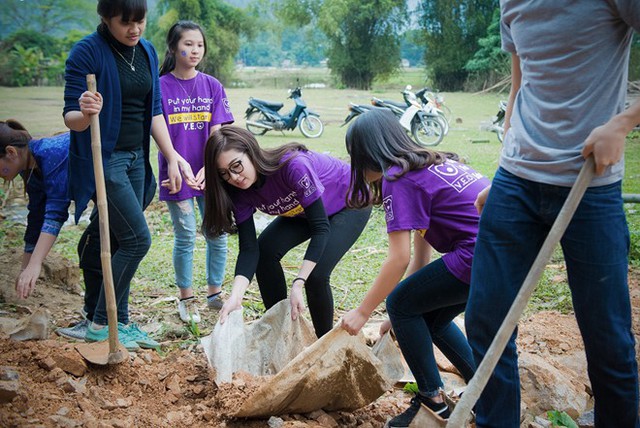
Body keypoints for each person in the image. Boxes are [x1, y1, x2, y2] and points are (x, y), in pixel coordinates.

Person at [466, 2, 640, 427]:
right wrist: (506, 165)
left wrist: (623, 123)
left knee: (607, 337)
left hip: (591, 186)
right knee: (486, 318)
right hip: (516, 180)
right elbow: (519, 84)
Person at [340, 108, 488, 425]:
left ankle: (432, 400)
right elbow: (420, 260)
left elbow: (399, 258)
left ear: (368, 152)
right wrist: (398, 318)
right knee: (424, 316)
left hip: (476, 255)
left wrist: (365, 312)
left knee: (400, 303)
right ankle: (485, 390)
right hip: (499, 255)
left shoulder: (398, 178)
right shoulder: (430, 164)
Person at [62, 0, 194, 350]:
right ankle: (101, 322)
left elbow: (153, 113)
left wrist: (172, 155)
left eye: (141, 21)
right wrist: (85, 111)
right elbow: (70, 117)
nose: (134, 29)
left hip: (137, 158)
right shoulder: (86, 52)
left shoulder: (147, 51)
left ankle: (120, 320)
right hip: (105, 159)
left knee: (120, 241)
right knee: (138, 240)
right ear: (105, 18)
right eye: (126, 22)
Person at [202, 126, 371, 338]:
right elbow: (249, 249)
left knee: (316, 275)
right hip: (303, 211)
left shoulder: (293, 166)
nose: (234, 177)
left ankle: (324, 345)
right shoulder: (239, 192)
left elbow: (320, 228)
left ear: (251, 151)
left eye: (236, 165)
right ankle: (281, 332)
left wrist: (298, 282)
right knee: (265, 251)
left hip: (350, 202)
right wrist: (236, 296)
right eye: (224, 173)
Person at [159, 20, 234, 324]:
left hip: (209, 174)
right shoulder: (159, 86)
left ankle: (215, 295)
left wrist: (209, 167)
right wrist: (176, 162)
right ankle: (186, 298)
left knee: (217, 233)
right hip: (175, 174)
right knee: (186, 234)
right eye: (188, 44)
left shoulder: (212, 85)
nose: (194, 50)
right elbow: (157, 131)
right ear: (174, 46)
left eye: (199, 45)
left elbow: (217, 135)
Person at [0, 120, 71, 300]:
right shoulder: (28, 168)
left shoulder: (50, 153)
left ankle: (104, 319)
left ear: (11, 152)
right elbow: (37, 217)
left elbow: (56, 212)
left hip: (122, 183)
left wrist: (35, 264)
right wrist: (25, 270)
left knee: (93, 251)